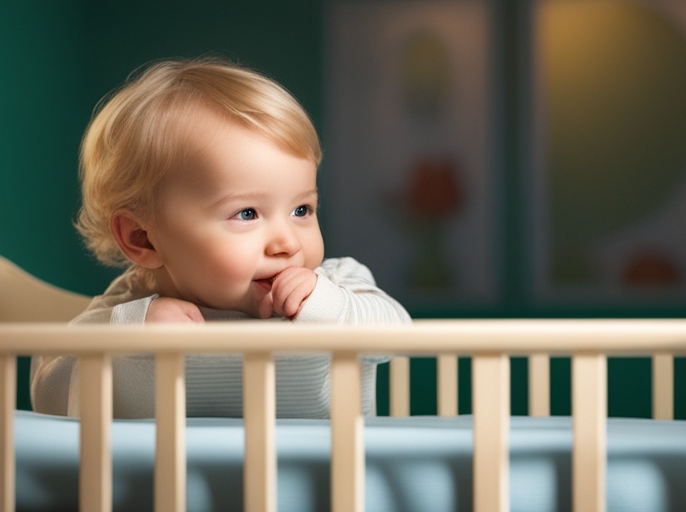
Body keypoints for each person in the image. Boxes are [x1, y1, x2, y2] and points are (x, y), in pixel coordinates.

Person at [30, 58, 411, 419]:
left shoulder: (337, 282)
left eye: (302, 210)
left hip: (329, 477)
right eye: (247, 214)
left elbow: (396, 335)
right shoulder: (130, 305)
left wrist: (325, 305)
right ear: (143, 239)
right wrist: (132, 331)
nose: (287, 243)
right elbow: (50, 395)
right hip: (170, 483)